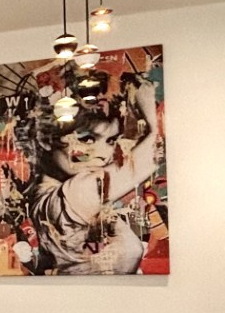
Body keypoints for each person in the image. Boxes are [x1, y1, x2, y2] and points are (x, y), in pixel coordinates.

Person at [24, 73, 161, 275]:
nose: (104, 155)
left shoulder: (67, 197)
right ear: (46, 140)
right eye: (87, 139)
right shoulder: (70, 196)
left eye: (111, 141)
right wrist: (150, 111)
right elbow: (155, 153)